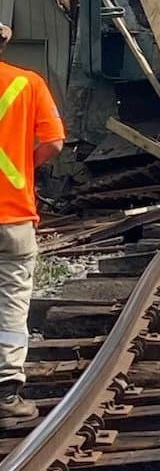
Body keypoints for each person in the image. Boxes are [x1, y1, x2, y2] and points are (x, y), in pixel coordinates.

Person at [0, 24, 65, 429]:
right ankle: (5, 393)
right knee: (10, 301)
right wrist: (24, 168)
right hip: (14, 216)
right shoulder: (28, 83)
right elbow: (54, 142)